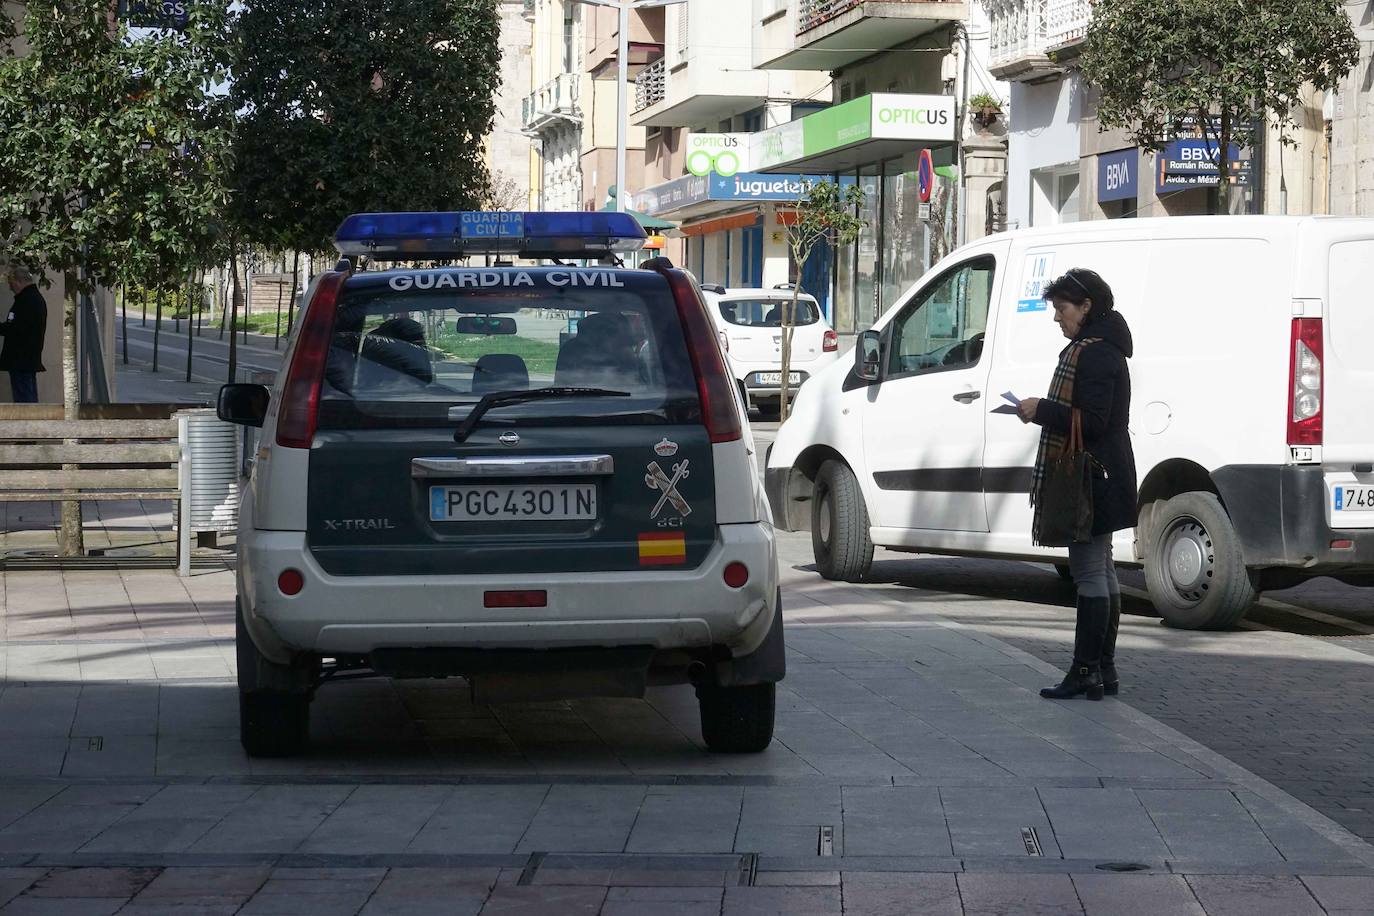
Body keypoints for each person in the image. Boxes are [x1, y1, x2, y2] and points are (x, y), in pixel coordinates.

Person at [1017, 268, 1137, 701]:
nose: (1057, 318)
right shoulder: (1098, 349)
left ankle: (1086, 669)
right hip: (1104, 473)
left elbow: (1096, 421)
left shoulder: (1096, 353)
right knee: (1100, 570)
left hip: (1092, 477)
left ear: (1086, 307)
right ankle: (1102, 669)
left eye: (1062, 309)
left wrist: (1041, 410)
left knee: (1090, 573)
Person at [1, 267, 47, 404]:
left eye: (11, 283)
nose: (10, 287)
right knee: (26, 396)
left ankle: (31, 424)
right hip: (25, 359)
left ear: (19, 281)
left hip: (21, 359)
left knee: (24, 400)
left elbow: (14, 328)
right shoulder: (31, 299)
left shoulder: (27, 301)